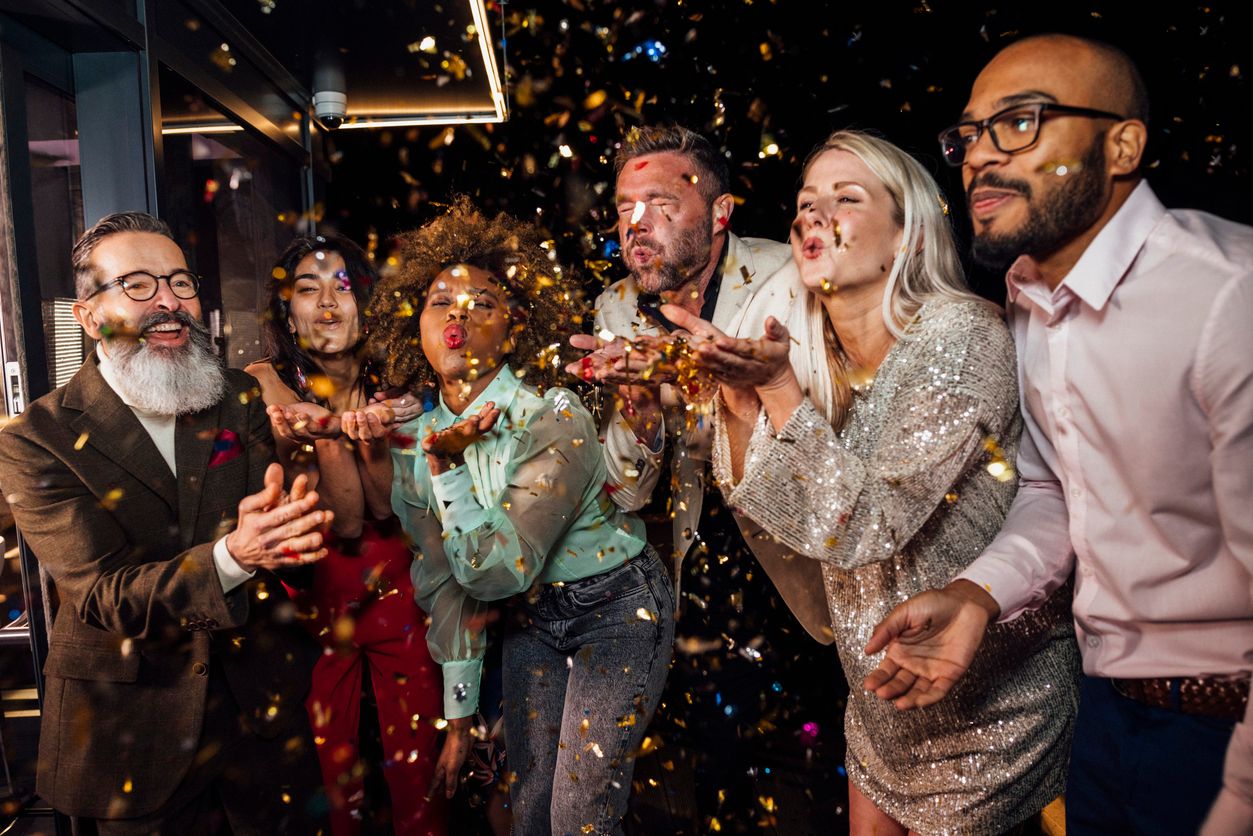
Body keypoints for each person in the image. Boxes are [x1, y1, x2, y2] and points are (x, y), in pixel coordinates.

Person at [860, 34, 1253, 835]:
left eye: (1021, 122)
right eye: (968, 135)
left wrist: (1239, 800)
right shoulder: (1027, 292)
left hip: (1225, 732)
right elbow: (1047, 486)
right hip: (1106, 717)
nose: (976, 157)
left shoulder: (1225, 297)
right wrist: (977, 597)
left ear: (1122, 144)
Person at [663, 129, 1079, 834]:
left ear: (908, 239)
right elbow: (791, 520)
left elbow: (862, 524)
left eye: (845, 199)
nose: (811, 215)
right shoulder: (819, 356)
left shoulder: (961, 334)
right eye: (804, 201)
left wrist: (777, 390)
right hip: (880, 705)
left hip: (990, 712)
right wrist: (736, 402)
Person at [0, 212, 327, 832]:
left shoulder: (236, 395)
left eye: (180, 282)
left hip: (258, 724)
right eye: (139, 285)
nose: (169, 302)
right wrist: (236, 554)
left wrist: (294, 528)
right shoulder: (36, 439)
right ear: (89, 316)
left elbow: (271, 528)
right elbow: (102, 595)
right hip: (132, 735)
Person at [364, 197, 675, 836]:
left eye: (482, 303)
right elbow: (447, 589)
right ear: (414, 327)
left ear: (514, 326)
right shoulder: (412, 442)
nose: (458, 316)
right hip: (533, 619)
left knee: (578, 816)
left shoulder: (554, 415)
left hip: (617, 608)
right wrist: (458, 720)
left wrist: (449, 467)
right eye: (439, 303)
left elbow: (497, 571)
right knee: (530, 815)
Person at [570, 124, 841, 832]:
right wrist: (636, 411)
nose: (636, 223)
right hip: (703, 575)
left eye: (660, 203)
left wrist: (709, 378)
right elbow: (627, 490)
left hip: (807, 568)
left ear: (720, 214)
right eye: (624, 206)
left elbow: (836, 438)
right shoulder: (614, 310)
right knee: (717, 782)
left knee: (812, 789)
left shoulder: (794, 279)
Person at [246, 234, 443, 835]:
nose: (327, 303)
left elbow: (383, 510)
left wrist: (364, 426)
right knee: (330, 775)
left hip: (398, 587)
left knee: (418, 762)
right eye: (308, 289)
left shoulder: (400, 382)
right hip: (314, 597)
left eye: (344, 287)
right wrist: (337, 427)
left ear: (368, 305)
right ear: (288, 310)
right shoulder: (265, 382)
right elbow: (344, 519)